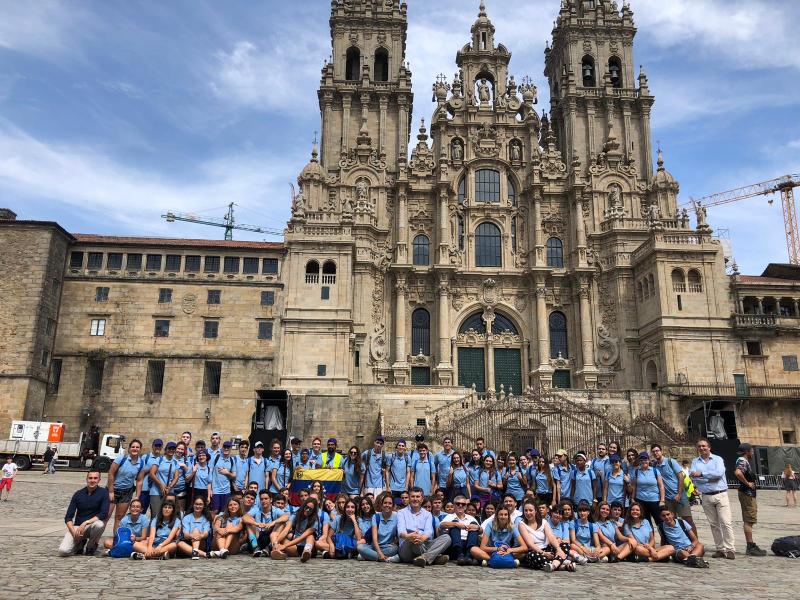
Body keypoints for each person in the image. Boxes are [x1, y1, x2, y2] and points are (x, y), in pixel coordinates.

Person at [690, 438, 735, 559]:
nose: (701, 448)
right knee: (714, 524)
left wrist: (702, 474)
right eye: (699, 446)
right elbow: (694, 477)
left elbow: (718, 474)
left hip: (720, 494)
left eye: (704, 446)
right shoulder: (695, 461)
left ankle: (730, 548)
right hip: (706, 496)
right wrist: (706, 475)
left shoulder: (717, 459)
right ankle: (720, 548)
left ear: (709, 447)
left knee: (726, 522)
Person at [59, 469, 109, 556]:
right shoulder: (78, 494)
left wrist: (86, 523)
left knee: (99, 524)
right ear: (86, 479)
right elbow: (68, 517)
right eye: (90, 478)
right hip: (77, 528)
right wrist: (73, 531)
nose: (92, 480)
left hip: (92, 525)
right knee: (63, 551)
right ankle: (79, 545)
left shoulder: (104, 493)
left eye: (95, 478)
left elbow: (103, 513)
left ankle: (90, 546)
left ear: (99, 480)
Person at [397, 487, 452, 566]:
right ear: (409, 498)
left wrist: (421, 538)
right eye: (413, 496)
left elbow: (428, 531)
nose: (415, 499)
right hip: (407, 546)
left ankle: (423, 558)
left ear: (422, 499)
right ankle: (433, 558)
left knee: (447, 538)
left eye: (418, 496)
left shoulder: (427, 514)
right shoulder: (401, 513)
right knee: (414, 540)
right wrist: (409, 536)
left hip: (422, 542)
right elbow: (401, 531)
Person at [651, 444, 694, 532]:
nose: (656, 453)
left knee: (688, 520)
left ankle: (695, 542)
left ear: (661, 451)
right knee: (672, 522)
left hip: (679, 496)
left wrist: (679, 493)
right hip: (667, 499)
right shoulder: (654, 465)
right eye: (654, 451)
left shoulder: (670, 462)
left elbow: (680, 476)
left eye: (657, 451)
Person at [734, 443, 767, 556]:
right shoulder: (742, 460)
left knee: (749, 519)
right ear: (746, 451)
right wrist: (747, 483)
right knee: (749, 520)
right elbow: (738, 473)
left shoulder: (741, 460)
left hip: (746, 493)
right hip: (747, 493)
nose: (752, 452)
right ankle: (750, 546)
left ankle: (751, 544)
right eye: (751, 451)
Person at [518, 500, 570, 572]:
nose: (528, 513)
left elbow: (551, 537)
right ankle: (560, 565)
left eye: (530, 510)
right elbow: (530, 544)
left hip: (547, 548)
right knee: (532, 556)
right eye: (526, 510)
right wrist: (543, 553)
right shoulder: (521, 524)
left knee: (564, 545)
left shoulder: (544, 522)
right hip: (534, 551)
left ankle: (554, 565)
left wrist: (558, 549)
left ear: (535, 511)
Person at [107, 438, 144, 531]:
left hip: (126, 492)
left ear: (140, 449)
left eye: (137, 447)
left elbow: (139, 480)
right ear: (129, 449)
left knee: (119, 518)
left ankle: (116, 541)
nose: (135, 449)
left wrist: (137, 496)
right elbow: (111, 473)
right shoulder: (121, 458)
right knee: (106, 516)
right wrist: (111, 491)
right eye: (133, 447)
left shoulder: (141, 463)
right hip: (113, 490)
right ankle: (94, 541)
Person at [243, 490, 289, 557]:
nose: (263, 501)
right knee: (249, 522)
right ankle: (255, 547)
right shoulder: (256, 509)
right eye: (261, 499)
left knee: (281, 523)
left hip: (270, 538)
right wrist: (256, 524)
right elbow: (244, 517)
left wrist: (273, 522)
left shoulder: (275, 510)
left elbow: (286, 516)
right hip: (257, 537)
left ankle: (269, 547)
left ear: (271, 500)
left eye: (266, 499)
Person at [438, 494, 481, 565]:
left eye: (463, 504)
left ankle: (468, 555)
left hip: (468, 544)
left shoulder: (471, 518)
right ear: (454, 505)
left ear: (465, 506)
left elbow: (481, 531)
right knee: (454, 523)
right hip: (454, 546)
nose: (460, 506)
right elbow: (441, 525)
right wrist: (456, 524)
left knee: (474, 525)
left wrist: (477, 527)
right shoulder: (449, 516)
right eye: (458, 504)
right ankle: (460, 554)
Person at [272, 497, 318, 561]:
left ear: (313, 511)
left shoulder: (315, 520)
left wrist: (285, 546)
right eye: (306, 507)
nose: (307, 510)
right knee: (276, 535)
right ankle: (278, 552)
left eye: (310, 509)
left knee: (310, 536)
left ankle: (307, 552)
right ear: (303, 506)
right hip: (296, 546)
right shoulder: (296, 515)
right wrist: (276, 542)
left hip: (307, 546)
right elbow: (286, 530)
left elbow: (301, 537)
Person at [359, 491, 400, 562]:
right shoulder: (376, 516)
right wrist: (379, 552)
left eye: (390, 503)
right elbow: (374, 538)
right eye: (385, 503)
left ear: (393, 506)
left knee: (395, 549)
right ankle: (385, 558)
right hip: (374, 546)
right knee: (360, 547)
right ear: (381, 505)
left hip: (388, 547)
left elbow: (400, 532)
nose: (387, 505)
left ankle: (368, 556)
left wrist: (396, 542)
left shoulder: (397, 516)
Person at [630, 452, 665, 525]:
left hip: (654, 500)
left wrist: (662, 500)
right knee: (646, 523)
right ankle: (650, 536)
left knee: (660, 522)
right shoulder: (637, 472)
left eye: (645, 459)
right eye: (641, 460)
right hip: (641, 500)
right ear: (639, 461)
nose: (643, 461)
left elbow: (661, 486)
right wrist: (633, 498)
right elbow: (634, 486)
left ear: (648, 460)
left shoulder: (655, 471)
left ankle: (663, 536)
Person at [147, 440, 179, 518]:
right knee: (156, 515)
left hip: (169, 492)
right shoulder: (159, 460)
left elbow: (176, 477)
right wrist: (161, 485)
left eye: (173, 448)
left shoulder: (175, 462)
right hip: (156, 492)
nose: (171, 450)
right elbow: (152, 473)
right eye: (169, 448)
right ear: (166, 449)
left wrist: (170, 487)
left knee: (167, 515)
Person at [210, 441, 237, 518]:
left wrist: (227, 473)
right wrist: (210, 489)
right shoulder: (216, 457)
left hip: (226, 490)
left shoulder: (232, 460)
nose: (226, 448)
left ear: (230, 448)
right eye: (224, 447)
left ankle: (221, 528)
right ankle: (211, 528)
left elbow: (234, 476)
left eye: (228, 447)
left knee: (224, 511)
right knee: (215, 511)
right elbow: (210, 473)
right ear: (222, 448)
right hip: (216, 490)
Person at [137, 438, 163, 514]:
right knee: (141, 511)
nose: (158, 447)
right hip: (145, 489)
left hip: (156, 490)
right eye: (156, 445)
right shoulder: (145, 457)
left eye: (159, 446)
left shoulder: (162, 459)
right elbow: (140, 473)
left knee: (155, 512)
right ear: (152, 446)